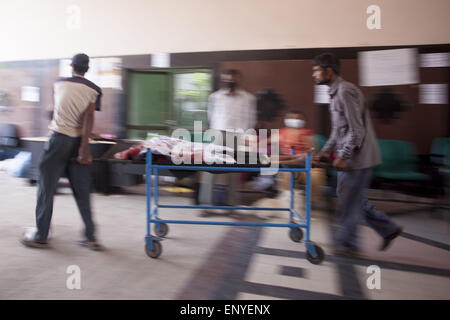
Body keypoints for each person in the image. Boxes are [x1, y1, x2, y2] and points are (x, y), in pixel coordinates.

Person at [312, 52, 402, 255]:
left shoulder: (345, 91)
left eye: (316, 71)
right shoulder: (335, 93)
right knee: (353, 199)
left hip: (358, 158)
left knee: (348, 201)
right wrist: (325, 152)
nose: (314, 75)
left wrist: (343, 156)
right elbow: (338, 130)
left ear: (328, 70)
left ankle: (348, 245)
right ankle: (388, 229)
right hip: (354, 156)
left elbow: (357, 129)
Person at [21, 53, 104, 251]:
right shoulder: (95, 90)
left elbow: (56, 109)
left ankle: (41, 234)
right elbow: (88, 116)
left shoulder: (58, 83)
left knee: (46, 187)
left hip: (59, 140)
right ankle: (91, 237)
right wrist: (85, 148)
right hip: (80, 143)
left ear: (72, 66)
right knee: (82, 191)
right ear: (87, 68)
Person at [198, 69, 257, 214]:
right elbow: (210, 116)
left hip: (237, 136)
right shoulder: (215, 97)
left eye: (233, 78)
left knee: (233, 171)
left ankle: (232, 206)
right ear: (223, 80)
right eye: (227, 78)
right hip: (217, 134)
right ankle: (206, 206)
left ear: (239, 79)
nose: (230, 81)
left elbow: (251, 118)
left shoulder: (248, 98)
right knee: (210, 169)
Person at [277, 110, 326, 208]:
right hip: (289, 164)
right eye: (292, 118)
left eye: (297, 118)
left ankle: (312, 202)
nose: (294, 120)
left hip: (306, 163)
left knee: (315, 175)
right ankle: (287, 201)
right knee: (287, 173)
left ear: (303, 120)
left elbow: (312, 151)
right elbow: (267, 142)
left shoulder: (307, 133)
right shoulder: (281, 132)